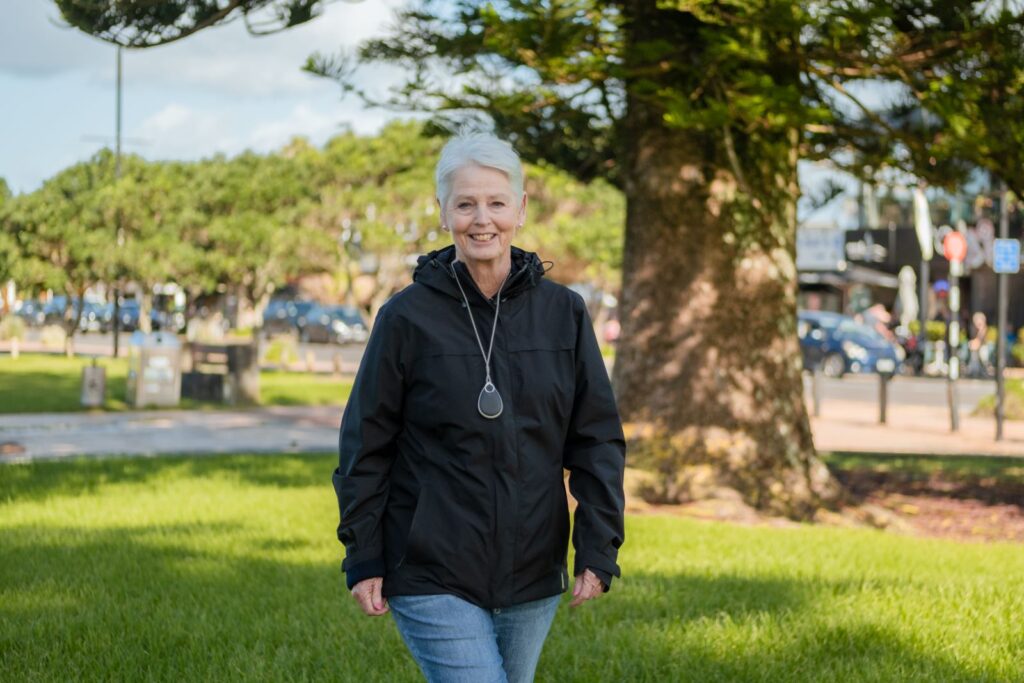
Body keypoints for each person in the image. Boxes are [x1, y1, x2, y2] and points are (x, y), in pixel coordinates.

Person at [332, 132, 626, 683]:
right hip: (428, 566)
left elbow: (596, 440)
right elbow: (365, 445)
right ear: (443, 211)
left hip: (533, 571)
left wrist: (597, 545)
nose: (481, 218)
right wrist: (364, 554)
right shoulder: (405, 319)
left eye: (495, 202)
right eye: (465, 203)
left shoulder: (564, 314)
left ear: (520, 207)